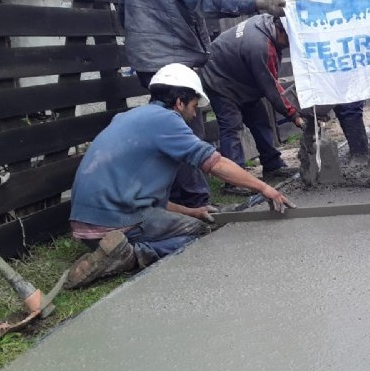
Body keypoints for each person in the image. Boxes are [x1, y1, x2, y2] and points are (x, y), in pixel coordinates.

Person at [121, 0, 286, 208]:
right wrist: (258, 4)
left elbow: (124, 10)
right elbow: (204, 1)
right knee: (185, 132)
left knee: (166, 131)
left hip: (147, 59)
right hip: (171, 58)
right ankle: (198, 204)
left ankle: (178, 201)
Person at [65, 64, 294, 289]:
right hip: (116, 223)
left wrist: (193, 211)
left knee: (195, 219)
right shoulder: (167, 120)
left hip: (86, 225)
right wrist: (264, 188)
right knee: (200, 233)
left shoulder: (130, 118)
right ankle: (132, 255)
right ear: (179, 102)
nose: (195, 114)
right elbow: (214, 163)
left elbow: (149, 201)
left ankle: (112, 249)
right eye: (194, 106)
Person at [198, 14, 303, 194]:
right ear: (281, 31)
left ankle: (272, 165)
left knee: (260, 121)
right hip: (219, 79)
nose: (288, 45)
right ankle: (233, 182)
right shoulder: (260, 45)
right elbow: (270, 86)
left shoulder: (266, 23)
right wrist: (294, 115)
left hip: (240, 75)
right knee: (232, 127)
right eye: (288, 40)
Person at [284, 0, 369, 164]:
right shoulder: (291, 25)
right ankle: (310, 156)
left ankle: (360, 154)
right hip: (320, 77)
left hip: (345, 71)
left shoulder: (326, 22)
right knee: (307, 107)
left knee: (349, 108)